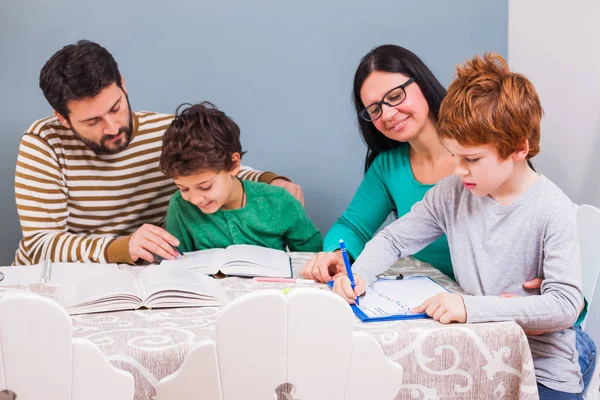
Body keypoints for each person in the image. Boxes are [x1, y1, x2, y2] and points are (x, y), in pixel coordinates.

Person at [301, 44, 596, 389]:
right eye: (374, 108)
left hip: (537, 363)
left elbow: (563, 304)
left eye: (469, 159)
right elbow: (394, 236)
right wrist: (360, 273)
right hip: (477, 347)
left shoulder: (545, 205)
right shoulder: (454, 188)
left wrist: (474, 307)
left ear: (518, 149)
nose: (457, 170)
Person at [13, 40, 304, 266]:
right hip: (62, 279)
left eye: (115, 107)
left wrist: (271, 180)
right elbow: (40, 244)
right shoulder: (43, 143)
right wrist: (122, 247)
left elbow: (218, 168)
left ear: (123, 85)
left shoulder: (163, 130)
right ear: (62, 118)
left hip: (146, 275)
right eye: (92, 121)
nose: (112, 127)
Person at [160, 102, 322, 252]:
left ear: (234, 164)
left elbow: (312, 256)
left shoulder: (279, 201)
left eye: (205, 186)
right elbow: (178, 264)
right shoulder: (180, 207)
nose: (195, 199)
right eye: (183, 188)